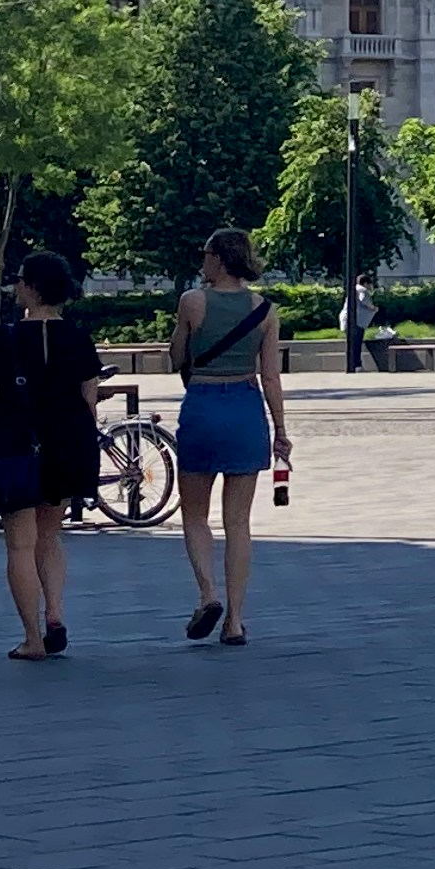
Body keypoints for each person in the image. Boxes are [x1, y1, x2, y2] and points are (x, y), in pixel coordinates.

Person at [0, 251, 106, 660]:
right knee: (50, 535)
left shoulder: (7, 337)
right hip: (66, 445)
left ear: (31, 287)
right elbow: (89, 397)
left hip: (16, 445)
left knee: (19, 546)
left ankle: (31, 638)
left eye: (20, 280)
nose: (15, 287)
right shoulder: (78, 336)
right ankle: (56, 615)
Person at [169, 227, 291, 642]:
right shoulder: (265, 309)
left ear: (218, 259)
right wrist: (281, 432)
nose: (202, 261)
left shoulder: (192, 301)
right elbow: (271, 377)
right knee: (238, 522)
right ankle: (235, 619)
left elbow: (177, 358)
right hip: (245, 407)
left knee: (195, 514)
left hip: (202, 405)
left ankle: (207, 594)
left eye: (205, 254)